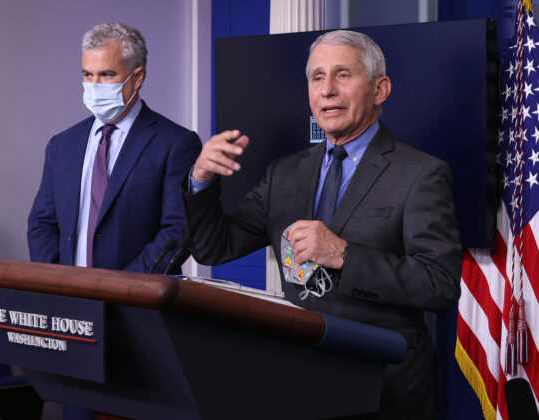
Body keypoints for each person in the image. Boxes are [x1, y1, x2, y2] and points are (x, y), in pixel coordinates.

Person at [184, 30, 462, 419]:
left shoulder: (421, 173)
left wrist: (344, 255)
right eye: (317, 77)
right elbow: (215, 248)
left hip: (387, 386)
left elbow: (440, 285)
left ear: (380, 89)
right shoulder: (285, 172)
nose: (327, 90)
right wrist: (201, 181)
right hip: (299, 376)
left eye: (343, 75)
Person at [28, 22, 202, 274]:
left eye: (106, 75)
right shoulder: (62, 145)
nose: (94, 85)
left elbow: (177, 231)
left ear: (137, 77)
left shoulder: (176, 143)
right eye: (88, 75)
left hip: (136, 302)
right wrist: (55, 281)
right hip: (68, 298)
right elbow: (41, 222)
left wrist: (121, 289)